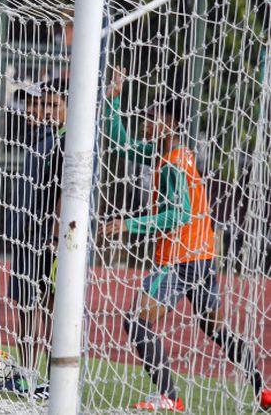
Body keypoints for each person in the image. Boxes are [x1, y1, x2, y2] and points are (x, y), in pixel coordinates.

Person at [102, 80, 271, 411]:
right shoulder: (162, 153)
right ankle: (263, 389)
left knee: (137, 322)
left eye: (152, 117)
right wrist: (114, 101)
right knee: (217, 330)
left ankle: (169, 395)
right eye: (146, 116)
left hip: (181, 261)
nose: (146, 123)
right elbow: (122, 146)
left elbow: (179, 214)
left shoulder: (175, 163)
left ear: (172, 123)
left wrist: (129, 224)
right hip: (203, 258)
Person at [2, 76, 69, 400]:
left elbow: (63, 191)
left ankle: (55, 379)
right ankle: (27, 374)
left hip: (45, 239)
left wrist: (55, 236)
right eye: (36, 103)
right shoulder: (36, 136)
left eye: (49, 105)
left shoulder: (64, 140)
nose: (37, 109)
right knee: (26, 306)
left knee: (49, 307)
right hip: (26, 235)